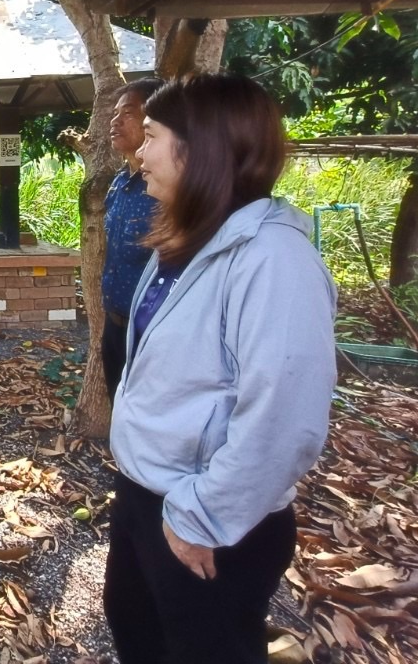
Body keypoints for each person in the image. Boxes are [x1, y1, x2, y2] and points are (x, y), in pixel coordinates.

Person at [104, 74, 337, 664]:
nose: (140, 151)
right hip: (147, 492)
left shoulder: (273, 260)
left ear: (199, 147)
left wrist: (202, 516)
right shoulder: (186, 240)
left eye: (152, 135)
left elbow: (285, 417)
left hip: (203, 515)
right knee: (137, 628)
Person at [100, 77, 163, 399]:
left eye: (128, 113)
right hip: (115, 327)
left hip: (155, 332)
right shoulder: (120, 182)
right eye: (114, 113)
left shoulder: (170, 188)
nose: (115, 121)